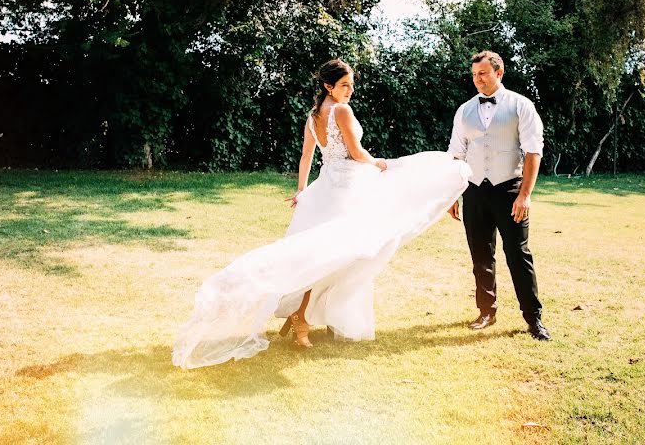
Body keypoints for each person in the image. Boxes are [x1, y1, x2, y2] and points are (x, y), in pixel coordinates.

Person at [173, 60, 471, 369]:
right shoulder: (341, 111)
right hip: (346, 191)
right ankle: (302, 318)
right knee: (328, 255)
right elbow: (356, 153)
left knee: (326, 255)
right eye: (345, 85)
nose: (350, 90)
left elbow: (306, 155)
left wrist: (303, 189)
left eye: (351, 84)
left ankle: (315, 315)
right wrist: (381, 164)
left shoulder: (313, 115)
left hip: (326, 187)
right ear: (329, 86)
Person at [447, 51, 552, 341]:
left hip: (509, 190)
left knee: (518, 255)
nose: (477, 79)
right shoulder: (464, 110)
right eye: (474, 75)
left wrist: (525, 195)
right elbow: (456, 153)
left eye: (483, 73)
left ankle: (534, 319)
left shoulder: (521, 106)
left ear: (499, 72)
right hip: (474, 191)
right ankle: (486, 311)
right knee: (480, 255)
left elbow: (533, 152)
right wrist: (452, 194)